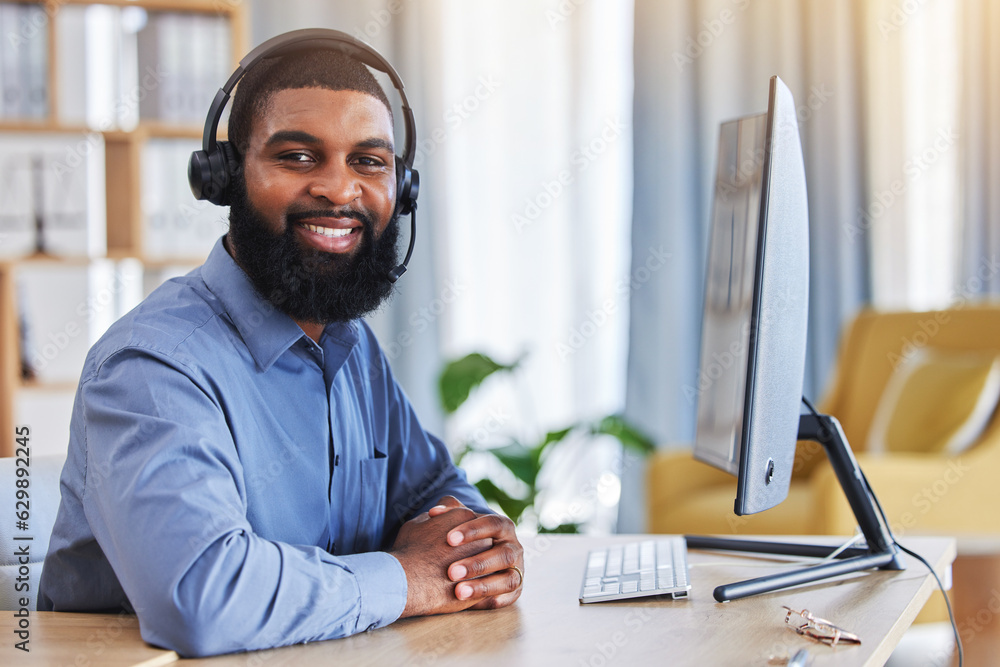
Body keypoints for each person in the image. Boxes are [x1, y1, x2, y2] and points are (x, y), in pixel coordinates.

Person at [37, 41, 525, 658]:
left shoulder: (352, 347)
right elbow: (203, 599)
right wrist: (410, 577)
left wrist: (479, 547)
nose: (338, 189)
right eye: (298, 156)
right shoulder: (152, 367)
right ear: (224, 177)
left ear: (402, 188)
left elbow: (437, 491)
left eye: (369, 162)